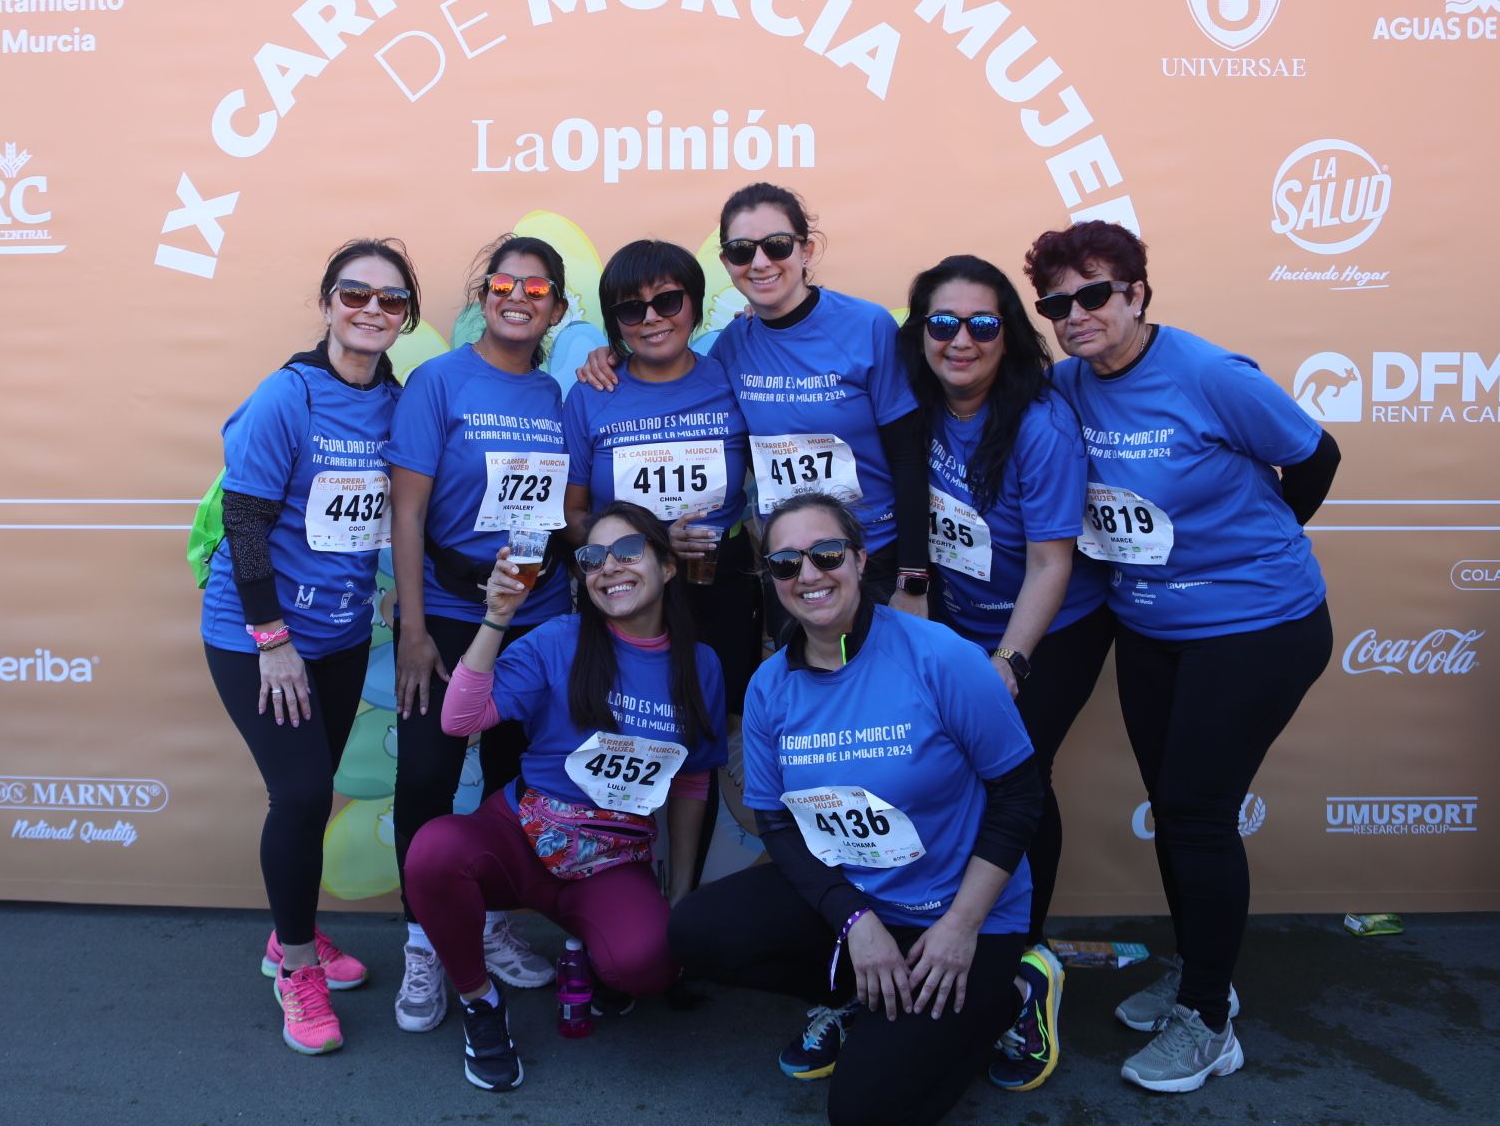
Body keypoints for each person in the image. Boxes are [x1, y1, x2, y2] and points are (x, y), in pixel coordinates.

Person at [1023, 221, 1339, 1094]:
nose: (1075, 315)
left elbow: (1315, 459)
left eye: (1094, 295)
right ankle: (1206, 973)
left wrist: (1249, 551)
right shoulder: (1066, 386)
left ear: (1137, 295)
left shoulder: (1207, 375)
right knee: (1175, 807)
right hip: (1151, 628)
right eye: (1056, 303)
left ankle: (1208, 1020)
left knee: (1197, 813)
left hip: (1257, 627)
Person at [669, 492, 1041, 1126]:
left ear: (860, 558)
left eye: (825, 554)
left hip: (958, 922)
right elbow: (779, 825)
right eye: (785, 564)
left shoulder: (940, 656)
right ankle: (862, 993)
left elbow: (1019, 793)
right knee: (692, 934)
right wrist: (854, 920)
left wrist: (959, 928)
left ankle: (1013, 995)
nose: (808, 575)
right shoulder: (769, 686)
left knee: (864, 1111)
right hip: (860, 900)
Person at [404, 502, 727, 1091]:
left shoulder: (699, 664)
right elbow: (460, 719)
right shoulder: (559, 639)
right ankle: (480, 1004)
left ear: (668, 567)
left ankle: (591, 951)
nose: (610, 568)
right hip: (521, 836)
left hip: (609, 861)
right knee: (433, 851)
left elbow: (692, 780)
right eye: (593, 558)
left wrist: (681, 891)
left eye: (628, 551)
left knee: (649, 966)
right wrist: (497, 618)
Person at [200, 238, 421, 1056]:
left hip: (340, 633)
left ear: (406, 317)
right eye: (354, 294)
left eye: (390, 300)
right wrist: (273, 641)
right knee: (296, 797)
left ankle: (288, 930)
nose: (371, 310)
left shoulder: (397, 402)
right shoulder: (286, 397)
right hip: (256, 634)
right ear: (328, 302)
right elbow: (246, 523)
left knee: (316, 786)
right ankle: (296, 967)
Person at [898, 255, 1114, 1092]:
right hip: (957, 620)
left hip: (1049, 628)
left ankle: (1025, 968)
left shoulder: (1039, 424)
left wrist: (1009, 665)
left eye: (982, 325)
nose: (960, 340)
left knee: (1017, 775)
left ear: (1010, 336)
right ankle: (945, 937)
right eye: (941, 324)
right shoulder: (912, 403)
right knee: (947, 773)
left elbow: (1053, 564)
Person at [384, 235, 574, 1033]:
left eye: (537, 288)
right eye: (504, 283)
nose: (519, 296)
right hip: (451, 614)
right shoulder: (438, 382)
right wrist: (415, 628)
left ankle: (489, 926)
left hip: (537, 617)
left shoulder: (562, 398)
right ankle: (423, 941)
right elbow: (409, 511)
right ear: (482, 297)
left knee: (510, 788)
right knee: (426, 782)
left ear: (558, 310)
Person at [578, 183, 928, 616]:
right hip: (786, 565)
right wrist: (613, 355)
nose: (760, 262)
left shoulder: (867, 325)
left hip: (870, 557)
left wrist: (913, 579)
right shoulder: (733, 346)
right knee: (800, 680)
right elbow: (669, 374)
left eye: (777, 245)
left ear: (807, 250)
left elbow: (910, 460)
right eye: (742, 251)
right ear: (727, 263)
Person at [563, 238, 760, 713]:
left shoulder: (734, 380)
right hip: (623, 583)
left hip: (720, 578)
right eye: (631, 310)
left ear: (692, 304)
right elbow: (570, 514)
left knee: (722, 720)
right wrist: (647, 543)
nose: (651, 318)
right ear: (616, 325)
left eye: (667, 300)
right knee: (631, 720)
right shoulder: (591, 393)